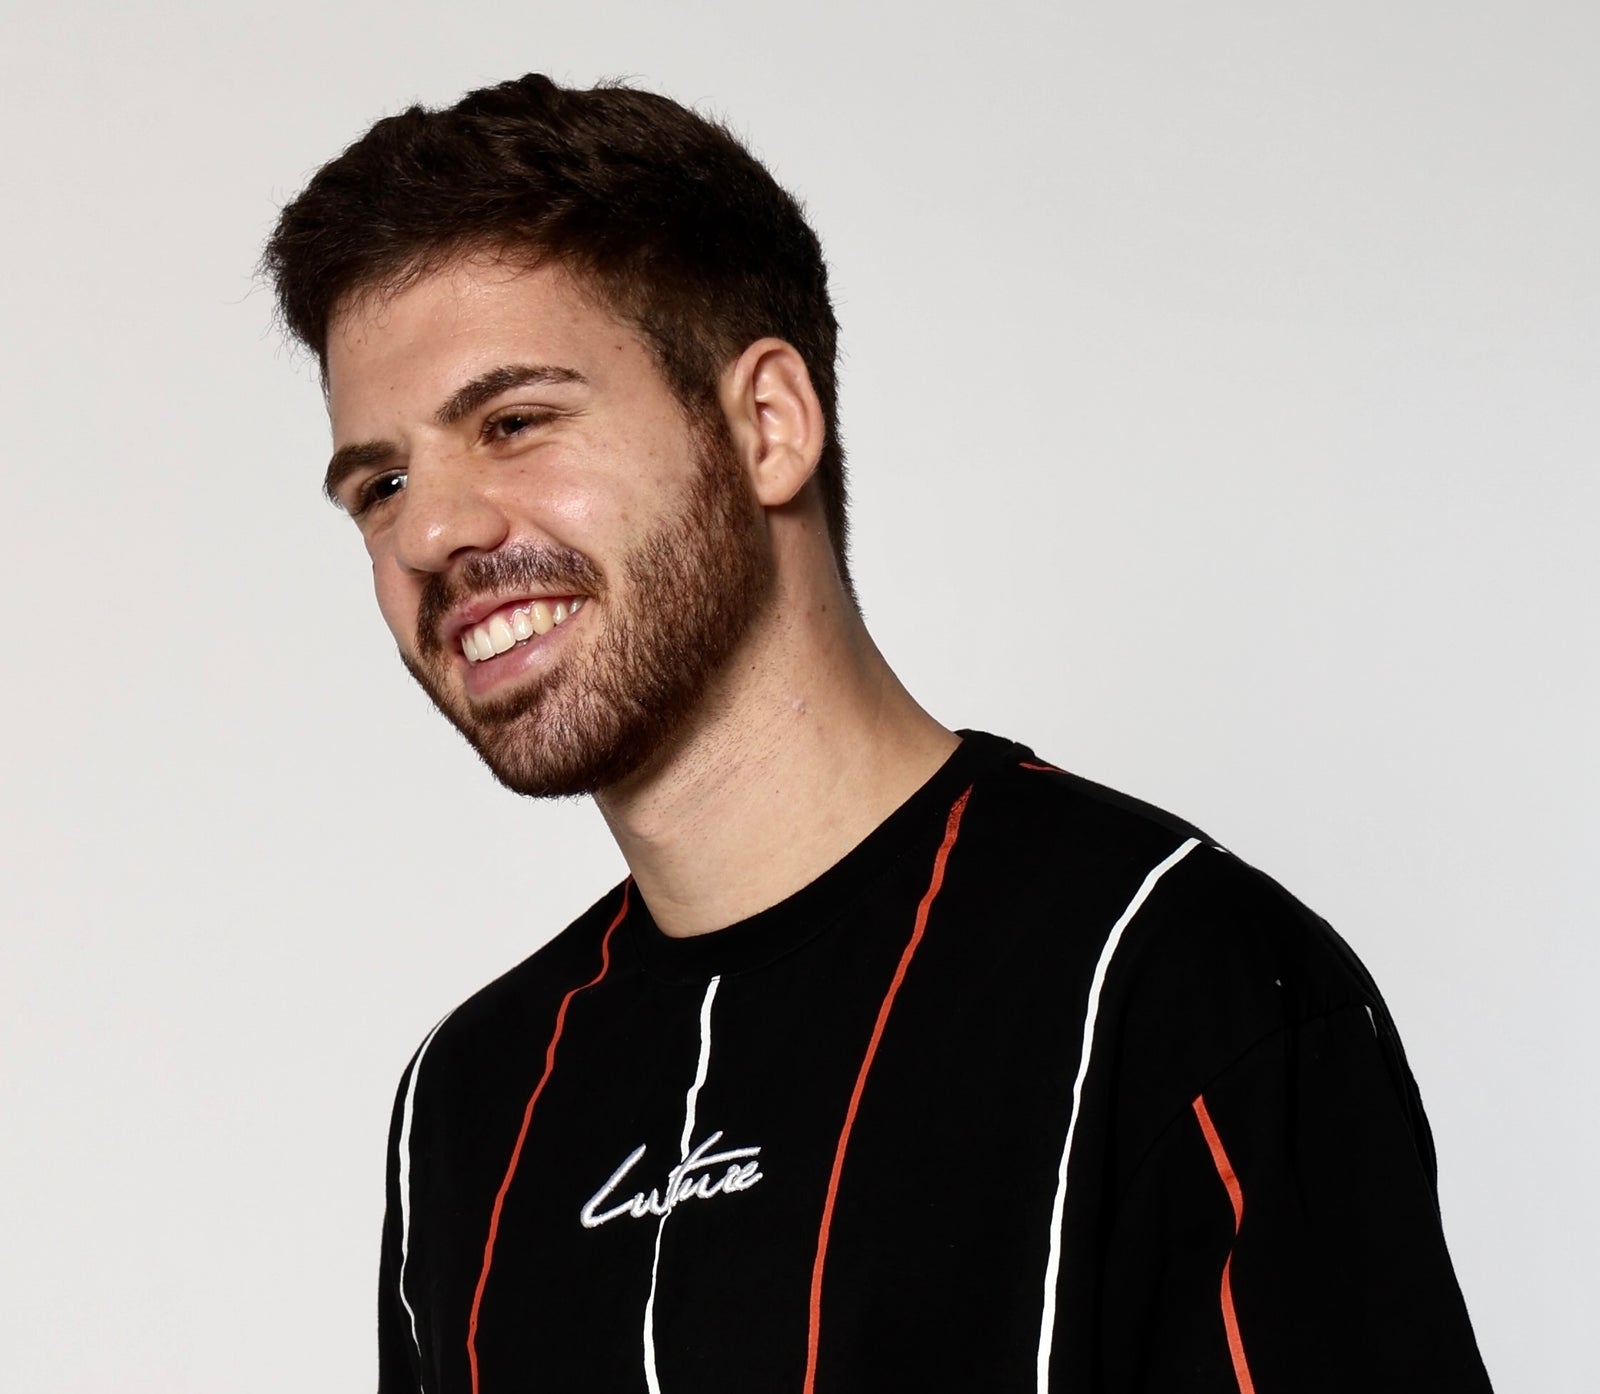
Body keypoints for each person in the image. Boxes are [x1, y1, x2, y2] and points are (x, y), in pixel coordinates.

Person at [264, 74, 1491, 1394]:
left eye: (512, 422)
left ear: (767, 427)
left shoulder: (1168, 982)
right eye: (380, 482)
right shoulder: (474, 1104)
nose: (430, 531)